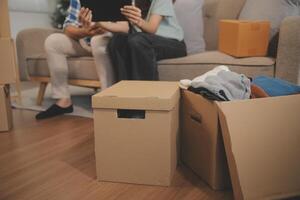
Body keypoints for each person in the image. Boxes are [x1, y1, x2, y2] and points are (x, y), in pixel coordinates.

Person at [35, 0, 114, 120]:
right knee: (53, 41)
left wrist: (104, 27)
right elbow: (68, 27)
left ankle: (107, 101)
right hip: (84, 41)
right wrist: (85, 31)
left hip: (108, 42)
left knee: (97, 40)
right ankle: (63, 101)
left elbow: (124, 25)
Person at [106, 0, 187, 81]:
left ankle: (148, 90)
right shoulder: (131, 2)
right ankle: (124, 88)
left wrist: (137, 20)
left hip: (173, 44)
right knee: (117, 40)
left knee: (137, 40)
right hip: (143, 40)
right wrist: (100, 22)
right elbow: (124, 28)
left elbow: (152, 28)